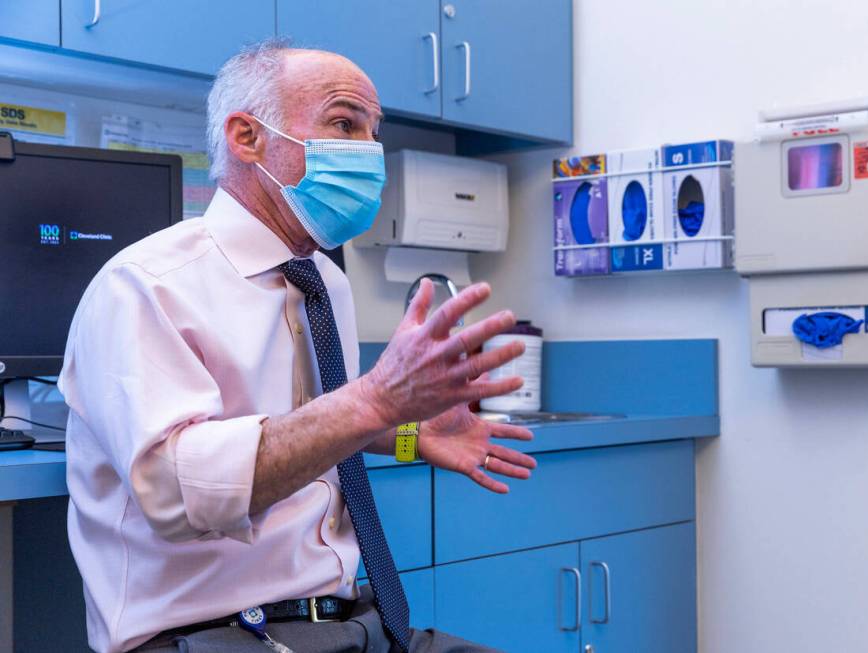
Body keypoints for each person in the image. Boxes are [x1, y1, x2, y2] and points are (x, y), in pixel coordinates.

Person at [58, 40, 537, 653]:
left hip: (346, 622)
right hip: (211, 636)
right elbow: (178, 492)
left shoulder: (323, 281)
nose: (368, 151)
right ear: (246, 137)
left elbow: (309, 428)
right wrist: (374, 403)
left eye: (372, 132)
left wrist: (407, 432)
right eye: (344, 123)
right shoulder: (145, 285)